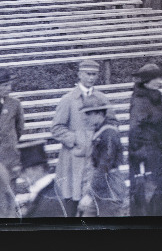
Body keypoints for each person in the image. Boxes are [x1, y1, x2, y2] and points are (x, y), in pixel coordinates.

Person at [51, 59, 115, 217]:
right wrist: (75, 138)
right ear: (79, 74)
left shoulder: (102, 99)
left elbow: (113, 122)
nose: (91, 78)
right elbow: (56, 128)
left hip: (95, 159)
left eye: (94, 74)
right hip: (73, 159)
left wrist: (102, 137)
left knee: (93, 201)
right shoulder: (68, 99)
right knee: (72, 199)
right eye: (88, 74)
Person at [128, 62, 162, 216]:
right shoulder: (140, 101)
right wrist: (140, 158)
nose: (159, 81)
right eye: (156, 78)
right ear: (146, 81)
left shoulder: (156, 96)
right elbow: (135, 130)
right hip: (146, 154)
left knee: (159, 192)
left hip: (157, 150)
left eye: (159, 77)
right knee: (147, 195)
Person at [78, 97, 126, 217]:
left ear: (99, 114)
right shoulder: (100, 132)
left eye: (88, 114)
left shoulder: (109, 134)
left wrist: (89, 194)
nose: (85, 117)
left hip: (110, 190)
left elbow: (104, 166)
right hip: (100, 188)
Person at [17, 140, 69, 217]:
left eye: (24, 171)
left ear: (38, 169)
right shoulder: (48, 192)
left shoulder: (49, 201)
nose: (22, 176)